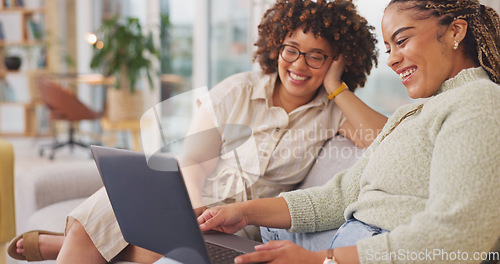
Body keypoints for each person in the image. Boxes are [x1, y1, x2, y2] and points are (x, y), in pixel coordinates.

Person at [9, 0, 388, 263]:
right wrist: (191, 206)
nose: (298, 64)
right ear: (277, 46)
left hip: (238, 223)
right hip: (187, 198)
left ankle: (58, 247)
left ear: (338, 61)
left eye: (316, 55)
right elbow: (192, 158)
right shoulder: (239, 89)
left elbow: (389, 139)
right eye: (292, 49)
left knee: (144, 243)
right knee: (103, 210)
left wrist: (338, 88)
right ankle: (69, 243)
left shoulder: (331, 112)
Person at [197, 0, 500, 263]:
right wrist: (243, 213)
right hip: (336, 244)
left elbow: (460, 236)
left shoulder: (479, 100)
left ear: (456, 32)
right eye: (388, 48)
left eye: (402, 41)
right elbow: (340, 194)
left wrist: (321, 261)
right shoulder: (414, 112)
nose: (392, 59)